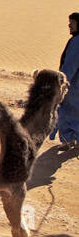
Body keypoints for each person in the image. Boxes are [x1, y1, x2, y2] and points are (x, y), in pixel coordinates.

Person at [54, 11, 79, 146]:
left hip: (73, 85)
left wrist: (62, 82)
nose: (69, 25)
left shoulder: (77, 42)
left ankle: (68, 140)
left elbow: (71, 64)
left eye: (73, 23)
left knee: (66, 109)